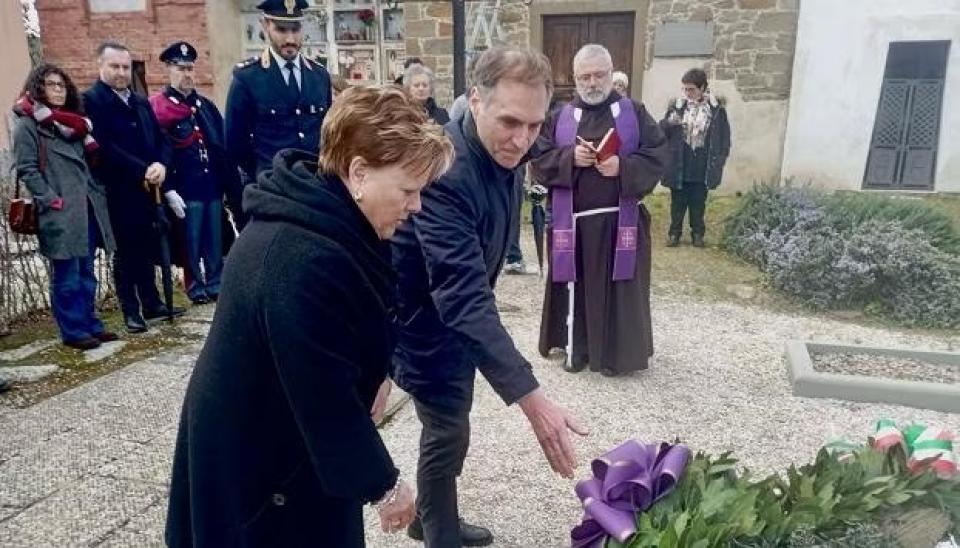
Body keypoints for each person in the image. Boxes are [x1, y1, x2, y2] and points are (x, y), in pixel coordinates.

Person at [165, 85, 455, 547]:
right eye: (409, 190)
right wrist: (383, 484)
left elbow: (367, 311)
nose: (416, 205)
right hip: (258, 466)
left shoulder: (327, 217)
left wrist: (379, 373)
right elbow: (321, 388)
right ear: (358, 172)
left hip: (289, 445)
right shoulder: (301, 256)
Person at [391, 46, 587, 547]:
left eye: (534, 125)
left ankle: (432, 516)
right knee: (446, 427)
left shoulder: (501, 149)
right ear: (475, 100)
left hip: (454, 320)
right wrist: (533, 400)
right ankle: (439, 534)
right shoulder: (447, 172)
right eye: (511, 122)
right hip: (420, 321)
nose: (523, 140)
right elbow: (460, 295)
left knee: (452, 422)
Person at [533, 44, 670, 377]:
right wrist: (570, 159)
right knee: (574, 287)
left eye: (599, 75)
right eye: (585, 76)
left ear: (611, 73)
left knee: (619, 287)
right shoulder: (559, 118)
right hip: (573, 225)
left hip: (619, 224)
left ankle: (616, 355)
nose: (592, 82)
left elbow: (659, 155)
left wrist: (622, 167)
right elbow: (537, 159)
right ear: (575, 78)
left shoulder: (633, 112)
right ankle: (576, 348)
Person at [13, 64, 118, 350]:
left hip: (86, 209)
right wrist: (50, 199)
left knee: (87, 274)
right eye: (51, 85)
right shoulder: (29, 124)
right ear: (38, 88)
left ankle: (91, 325)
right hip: (60, 211)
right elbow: (27, 169)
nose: (58, 90)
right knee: (68, 276)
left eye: (62, 85)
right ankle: (73, 331)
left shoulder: (75, 123)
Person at [83, 42, 183, 334]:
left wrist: (161, 166)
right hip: (119, 189)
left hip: (150, 187)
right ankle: (131, 310)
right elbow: (105, 146)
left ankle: (152, 303)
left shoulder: (139, 100)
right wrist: (143, 169)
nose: (121, 72)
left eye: (126, 67)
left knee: (149, 245)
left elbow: (161, 139)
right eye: (115, 66)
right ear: (100, 66)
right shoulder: (92, 100)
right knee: (127, 251)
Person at [225, 0, 333, 227]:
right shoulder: (248, 78)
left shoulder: (319, 76)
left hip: (315, 187)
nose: (290, 39)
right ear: (265, 26)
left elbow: (328, 132)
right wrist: (263, 172)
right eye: (282, 29)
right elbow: (235, 142)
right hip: (273, 190)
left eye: (295, 29)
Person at [150, 41, 238, 305]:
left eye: (190, 68)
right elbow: (157, 151)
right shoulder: (159, 106)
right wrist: (168, 190)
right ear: (169, 69)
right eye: (180, 68)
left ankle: (215, 283)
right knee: (190, 242)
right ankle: (195, 286)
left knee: (214, 239)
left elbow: (220, 144)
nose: (187, 74)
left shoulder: (204, 106)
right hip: (184, 187)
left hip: (210, 185)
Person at [659, 68, 731, 248]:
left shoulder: (716, 110)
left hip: (703, 163)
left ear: (702, 88)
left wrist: (720, 160)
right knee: (678, 201)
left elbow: (724, 138)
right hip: (680, 162)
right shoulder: (677, 107)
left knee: (698, 201)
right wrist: (669, 122)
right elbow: (661, 132)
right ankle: (674, 233)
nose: (687, 93)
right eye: (685, 89)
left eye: (691, 89)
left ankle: (697, 233)